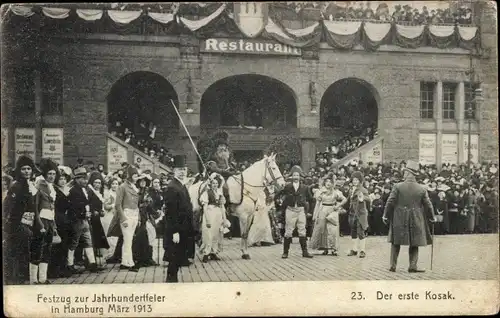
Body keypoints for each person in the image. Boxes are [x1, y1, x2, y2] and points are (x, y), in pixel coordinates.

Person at [382, 160, 436, 273]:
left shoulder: (397, 186)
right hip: (416, 217)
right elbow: (428, 205)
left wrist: (385, 215)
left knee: (395, 242)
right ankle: (412, 266)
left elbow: (390, 201)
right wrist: (432, 217)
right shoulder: (422, 188)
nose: (403, 174)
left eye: (405, 172)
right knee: (414, 242)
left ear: (408, 173)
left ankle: (393, 266)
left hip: (399, 217)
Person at [3, 155, 39, 284]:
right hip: (17, 225)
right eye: (24, 169)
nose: (27, 171)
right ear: (19, 170)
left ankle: (23, 278)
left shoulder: (28, 185)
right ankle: (17, 279)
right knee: (18, 253)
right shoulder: (16, 186)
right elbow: (8, 206)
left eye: (29, 169)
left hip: (27, 224)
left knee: (25, 252)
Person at [164, 155, 195, 283]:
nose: (182, 172)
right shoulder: (172, 187)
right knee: (174, 257)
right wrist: (175, 231)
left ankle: (173, 279)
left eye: (184, 169)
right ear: (174, 171)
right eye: (180, 169)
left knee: (179, 256)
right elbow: (171, 212)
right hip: (177, 228)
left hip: (184, 227)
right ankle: (171, 281)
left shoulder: (181, 185)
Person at [66, 167, 102, 274]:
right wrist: (83, 213)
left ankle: (92, 263)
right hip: (77, 220)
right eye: (82, 178)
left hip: (85, 220)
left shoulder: (86, 190)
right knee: (74, 242)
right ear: (76, 179)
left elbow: (93, 201)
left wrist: (92, 210)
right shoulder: (73, 191)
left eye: (86, 178)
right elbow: (73, 207)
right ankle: (70, 264)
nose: (85, 181)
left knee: (88, 241)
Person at [31, 158, 59, 284]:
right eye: (49, 174)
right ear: (45, 174)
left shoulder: (52, 187)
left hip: (50, 220)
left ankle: (42, 278)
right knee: (38, 247)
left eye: (54, 174)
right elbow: (35, 207)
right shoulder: (39, 185)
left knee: (47, 248)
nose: (52, 176)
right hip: (41, 220)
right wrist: (39, 223)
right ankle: (33, 279)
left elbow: (52, 208)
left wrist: (54, 224)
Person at [108, 165, 140, 272]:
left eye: (137, 176)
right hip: (126, 215)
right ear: (130, 176)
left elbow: (137, 204)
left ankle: (124, 262)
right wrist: (123, 218)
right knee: (128, 239)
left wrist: (138, 217)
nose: (136, 178)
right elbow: (118, 205)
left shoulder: (134, 187)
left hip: (134, 215)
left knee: (129, 239)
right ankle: (130, 263)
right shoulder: (122, 187)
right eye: (135, 176)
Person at [278, 165, 313, 259]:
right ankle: (285, 252)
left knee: (302, 230)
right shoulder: (287, 187)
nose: (296, 177)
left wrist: (309, 211)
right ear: (291, 176)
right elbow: (280, 195)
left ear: (300, 176)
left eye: (297, 175)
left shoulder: (305, 187)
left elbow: (311, 199)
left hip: (301, 210)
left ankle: (305, 252)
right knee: (288, 231)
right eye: (294, 175)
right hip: (290, 210)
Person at [310, 173, 347, 256]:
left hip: (332, 211)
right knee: (323, 230)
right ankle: (325, 248)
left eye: (330, 181)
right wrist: (315, 215)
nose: (328, 183)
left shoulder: (336, 192)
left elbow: (344, 199)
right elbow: (317, 203)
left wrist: (338, 206)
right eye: (326, 181)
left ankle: (334, 249)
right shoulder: (321, 192)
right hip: (322, 210)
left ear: (332, 183)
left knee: (333, 230)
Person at [199, 173, 229, 262]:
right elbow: (204, 207)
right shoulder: (206, 193)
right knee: (208, 233)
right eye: (213, 183)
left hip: (218, 214)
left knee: (217, 233)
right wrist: (207, 219)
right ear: (210, 184)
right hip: (210, 212)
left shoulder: (220, 193)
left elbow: (222, 207)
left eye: (216, 183)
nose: (215, 185)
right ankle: (206, 253)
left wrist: (224, 219)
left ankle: (213, 252)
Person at [87, 171, 111, 267]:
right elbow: (88, 204)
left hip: (97, 219)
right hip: (91, 218)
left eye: (99, 183)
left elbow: (99, 206)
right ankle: (91, 261)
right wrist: (93, 211)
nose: (97, 185)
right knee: (92, 239)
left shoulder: (99, 193)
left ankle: (99, 261)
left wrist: (101, 211)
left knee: (99, 238)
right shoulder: (89, 191)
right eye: (95, 182)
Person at [347, 171, 371, 258]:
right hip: (352, 213)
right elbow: (348, 200)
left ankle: (362, 251)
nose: (355, 181)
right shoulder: (351, 190)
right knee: (353, 231)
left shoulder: (363, 189)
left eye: (357, 180)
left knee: (360, 232)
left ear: (360, 180)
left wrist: (362, 198)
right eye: (353, 180)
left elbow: (368, 199)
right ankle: (354, 250)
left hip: (360, 214)